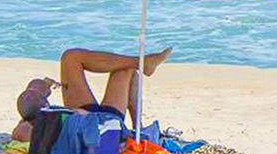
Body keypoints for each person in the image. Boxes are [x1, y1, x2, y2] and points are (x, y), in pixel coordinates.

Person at [11, 47, 172, 142]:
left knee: (70, 57)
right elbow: (20, 135)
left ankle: (142, 63)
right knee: (127, 71)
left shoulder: (38, 112)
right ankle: (139, 126)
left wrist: (45, 86)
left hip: (86, 113)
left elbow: (31, 95)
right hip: (103, 125)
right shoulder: (31, 128)